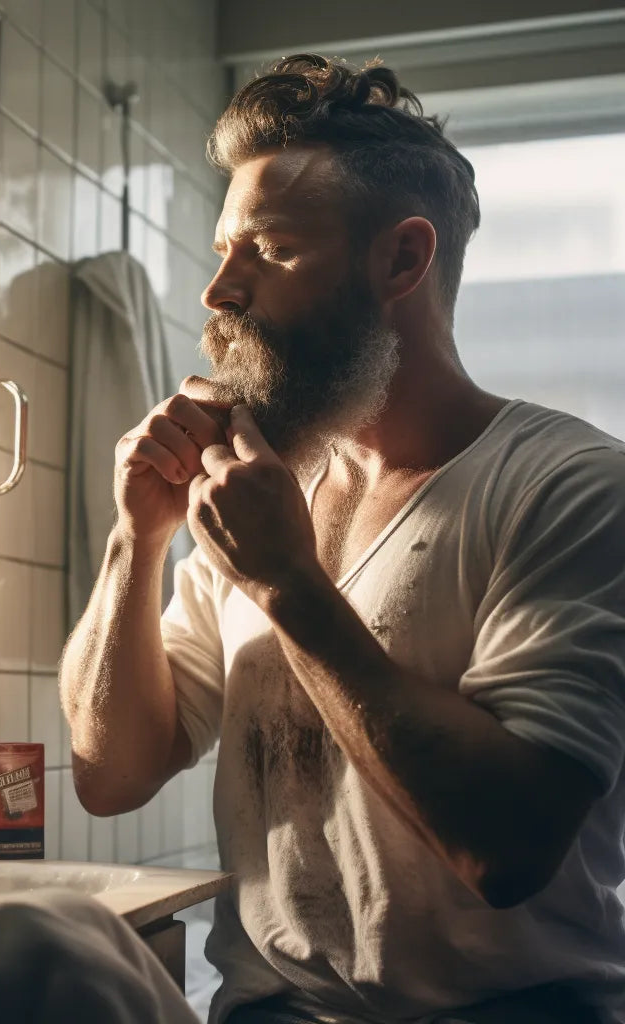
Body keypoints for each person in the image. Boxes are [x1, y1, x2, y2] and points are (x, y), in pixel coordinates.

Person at [59, 54, 625, 1024]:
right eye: (222, 250)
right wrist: (136, 536)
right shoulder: (258, 499)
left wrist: (288, 584)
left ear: (402, 261)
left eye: (268, 250)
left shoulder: (568, 488)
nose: (217, 292)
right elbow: (110, 773)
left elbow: (508, 847)